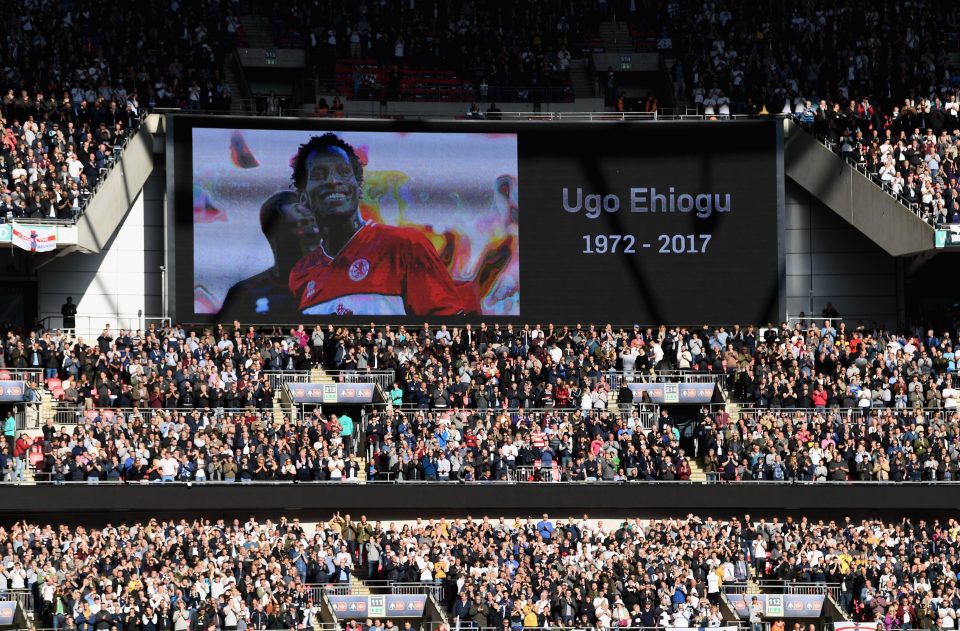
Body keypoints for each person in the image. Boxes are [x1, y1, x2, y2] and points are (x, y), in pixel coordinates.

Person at [287, 134, 469, 316]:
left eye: (343, 172)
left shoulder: (405, 245)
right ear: (303, 197)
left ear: (358, 189)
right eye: (319, 175)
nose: (333, 181)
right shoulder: (300, 273)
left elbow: (449, 326)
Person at [220, 191, 321, 318]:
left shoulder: (338, 286)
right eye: (300, 225)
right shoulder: (244, 294)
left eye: (314, 223)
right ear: (274, 236)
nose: (313, 233)